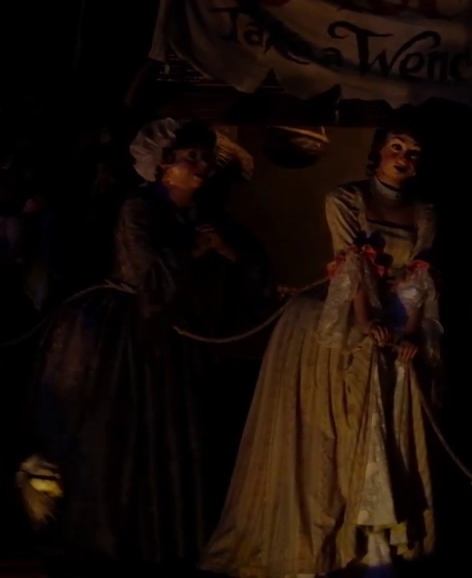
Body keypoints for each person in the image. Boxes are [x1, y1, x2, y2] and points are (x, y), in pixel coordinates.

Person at [201, 120, 441, 577]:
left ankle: (379, 536)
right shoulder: (345, 198)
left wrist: (409, 331)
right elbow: (353, 264)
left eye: (413, 152)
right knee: (340, 421)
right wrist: (366, 321)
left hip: (397, 316)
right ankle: (339, 532)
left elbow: (418, 274)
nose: (404, 157)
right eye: (396, 147)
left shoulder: (424, 211)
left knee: (392, 412)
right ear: (378, 151)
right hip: (351, 312)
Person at [19, 118, 257, 577]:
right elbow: (146, 272)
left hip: (176, 337)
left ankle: (169, 538)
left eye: (206, 157)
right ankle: (110, 539)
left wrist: (227, 253)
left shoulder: (205, 213)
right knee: (119, 434)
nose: (202, 166)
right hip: (125, 336)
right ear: (164, 165)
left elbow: (243, 261)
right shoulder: (139, 207)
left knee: (175, 434)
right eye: (191, 157)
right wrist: (194, 252)